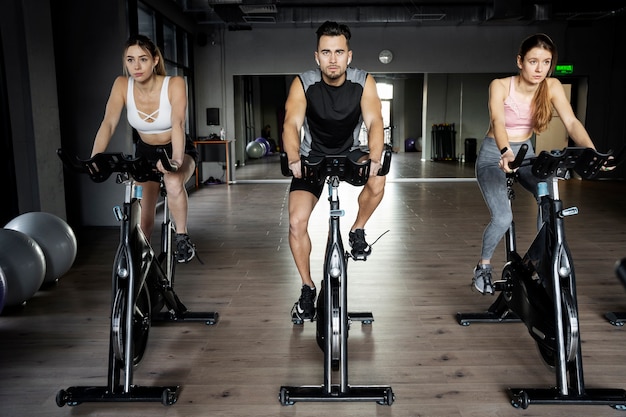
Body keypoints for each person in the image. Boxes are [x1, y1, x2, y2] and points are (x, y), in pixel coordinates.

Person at [473, 33, 611, 294]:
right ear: (520, 61)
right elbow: (497, 122)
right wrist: (505, 151)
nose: (540, 69)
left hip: (527, 155)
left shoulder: (552, 86)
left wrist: (592, 151)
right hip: (495, 155)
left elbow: (571, 123)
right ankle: (483, 266)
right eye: (533, 61)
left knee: (549, 206)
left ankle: (543, 262)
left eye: (546, 62)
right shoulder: (500, 85)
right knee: (503, 217)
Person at [282, 21, 386, 321]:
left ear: (349, 56)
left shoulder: (363, 81)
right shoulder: (304, 82)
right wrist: (292, 156)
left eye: (339, 52)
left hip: (349, 153)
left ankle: (356, 229)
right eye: (326, 52)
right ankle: (307, 287)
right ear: (317, 57)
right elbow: (291, 123)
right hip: (312, 157)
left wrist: (376, 155)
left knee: (379, 177)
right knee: (296, 221)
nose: (332, 59)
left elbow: (375, 121)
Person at [91, 34, 198, 263]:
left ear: (155, 60)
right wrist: (94, 158)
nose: (136, 66)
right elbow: (108, 123)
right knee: (143, 223)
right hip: (145, 151)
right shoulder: (122, 85)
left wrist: (176, 161)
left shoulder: (174, 83)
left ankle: (182, 237)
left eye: (143, 59)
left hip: (177, 147)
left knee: (172, 181)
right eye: (130, 60)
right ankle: (142, 269)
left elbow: (178, 123)